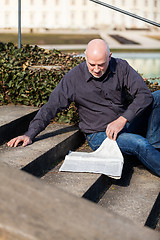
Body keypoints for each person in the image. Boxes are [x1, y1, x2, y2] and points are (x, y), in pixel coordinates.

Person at [7, 39, 160, 176]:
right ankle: (149, 153)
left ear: (109, 56)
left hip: (125, 124)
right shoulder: (73, 78)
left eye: (101, 64)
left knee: (157, 97)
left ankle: (154, 150)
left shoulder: (121, 67)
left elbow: (144, 95)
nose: (96, 69)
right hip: (100, 134)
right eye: (91, 64)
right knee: (139, 143)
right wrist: (29, 134)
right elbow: (51, 107)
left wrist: (122, 119)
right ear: (85, 57)